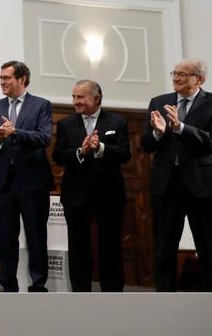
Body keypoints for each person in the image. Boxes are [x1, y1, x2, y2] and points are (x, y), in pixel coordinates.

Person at [0, 60, 53, 292]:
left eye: (6, 78)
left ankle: (38, 285)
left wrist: (15, 132)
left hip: (33, 182)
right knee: (5, 237)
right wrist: (0, 138)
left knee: (36, 236)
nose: (2, 82)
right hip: (3, 183)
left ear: (22, 79)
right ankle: (8, 285)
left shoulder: (41, 105)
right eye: (0, 78)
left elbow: (44, 138)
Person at [53, 79, 130, 292]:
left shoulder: (117, 122)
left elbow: (125, 154)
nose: (75, 101)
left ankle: (112, 295)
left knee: (110, 246)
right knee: (78, 247)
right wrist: (81, 151)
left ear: (96, 98)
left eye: (80, 97)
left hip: (110, 194)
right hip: (76, 195)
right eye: (73, 96)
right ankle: (80, 295)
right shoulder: (65, 124)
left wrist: (102, 148)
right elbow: (58, 155)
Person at [141, 59, 212, 291]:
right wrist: (159, 133)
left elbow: (208, 142)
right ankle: (165, 299)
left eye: (183, 74)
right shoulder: (159, 102)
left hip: (201, 187)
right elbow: (146, 144)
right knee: (164, 248)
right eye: (175, 73)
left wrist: (180, 127)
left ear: (199, 79)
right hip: (166, 186)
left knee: (208, 246)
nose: (176, 77)